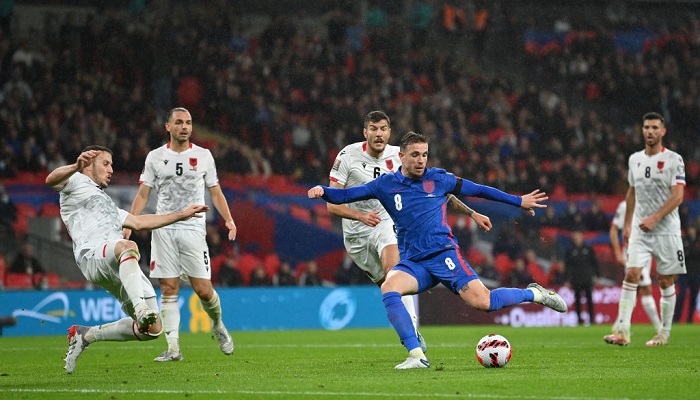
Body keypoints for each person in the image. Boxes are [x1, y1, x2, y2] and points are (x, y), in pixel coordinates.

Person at [309, 131, 567, 369]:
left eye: (424, 154)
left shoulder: (439, 179)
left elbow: (479, 190)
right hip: (414, 263)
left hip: (444, 255)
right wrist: (323, 192)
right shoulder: (385, 185)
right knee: (389, 287)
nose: (421, 160)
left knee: (484, 302)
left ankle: (535, 293)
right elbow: (346, 195)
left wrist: (518, 201)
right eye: (415, 155)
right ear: (401, 156)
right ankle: (416, 355)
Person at [327, 110, 491, 354]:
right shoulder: (347, 156)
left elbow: (438, 190)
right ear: (365, 132)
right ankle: (410, 328)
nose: (379, 134)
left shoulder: (401, 156)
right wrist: (360, 216)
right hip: (356, 233)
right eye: (374, 129)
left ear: (389, 132)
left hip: (387, 222)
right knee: (387, 285)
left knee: (393, 270)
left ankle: (413, 337)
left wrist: (471, 213)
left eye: (383, 129)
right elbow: (332, 204)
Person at [45, 145, 209, 373]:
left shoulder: (107, 204)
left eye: (111, 165)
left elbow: (139, 222)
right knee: (128, 246)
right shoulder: (75, 182)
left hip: (116, 263)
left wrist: (182, 214)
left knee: (152, 330)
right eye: (105, 164)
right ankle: (140, 308)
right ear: (88, 165)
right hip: (92, 254)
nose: (111, 169)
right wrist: (75, 166)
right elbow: (51, 180)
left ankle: (87, 335)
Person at [124, 107, 236, 362]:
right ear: (168, 127)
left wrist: (229, 219)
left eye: (188, 123)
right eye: (179, 122)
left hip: (193, 228)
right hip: (163, 226)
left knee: (203, 290)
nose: (184, 127)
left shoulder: (204, 155)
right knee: (168, 287)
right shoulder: (154, 157)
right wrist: (130, 221)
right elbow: (143, 193)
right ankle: (173, 348)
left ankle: (218, 324)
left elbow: (215, 192)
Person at [604, 112, 686, 347]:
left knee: (665, 280)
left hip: (666, 229)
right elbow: (632, 193)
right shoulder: (634, 159)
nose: (650, 131)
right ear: (642, 130)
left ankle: (664, 334)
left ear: (663, 131)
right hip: (641, 229)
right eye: (646, 127)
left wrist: (655, 218)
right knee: (631, 275)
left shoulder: (674, 160)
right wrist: (628, 224)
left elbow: (678, 196)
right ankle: (623, 331)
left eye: (654, 128)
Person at [609, 200, 661, 333]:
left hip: (646, 252)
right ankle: (659, 328)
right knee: (645, 288)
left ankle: (618, 325)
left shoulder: (649, 204)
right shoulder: (624, 206)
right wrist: (617, 252)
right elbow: (614, 229)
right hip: (633, 253)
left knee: (634, 290)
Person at [563, 230, 599, 326]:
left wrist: (596, 276)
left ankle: (591, 319)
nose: (577, 239)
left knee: (589, 300)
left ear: (582, 237)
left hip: (587, 278)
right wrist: (567, 279)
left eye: (578, 237)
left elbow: (594, 263)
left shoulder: (588, 249)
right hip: (576, 279)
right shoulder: (570, 251)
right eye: (575, 237)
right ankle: (579, 320)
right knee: (577, 300)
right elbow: (567, 266)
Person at [674, 225, 700, 323]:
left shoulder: (697, 241)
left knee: (694, 296)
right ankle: (676, 318)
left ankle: (690, 319)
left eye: (693, 229)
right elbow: (681, 255)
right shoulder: (684, 240)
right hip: (684, 272)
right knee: (682, 294)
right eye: (690, 229)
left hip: (696, 273)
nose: (691, 231)